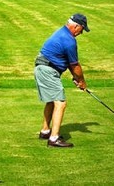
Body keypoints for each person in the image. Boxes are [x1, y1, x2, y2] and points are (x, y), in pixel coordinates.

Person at [34, 13, 90, 148]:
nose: (81, 33)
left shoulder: (62, 32)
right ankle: (53, 139)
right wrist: (81, 81)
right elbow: (75, 65)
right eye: (81, 30)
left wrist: (75, 78)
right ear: (76, 26)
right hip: (47, 70)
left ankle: (45, 131)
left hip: (43, 68)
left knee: (52, 101)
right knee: (60, 103)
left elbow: (70, 64)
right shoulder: (69, 40)